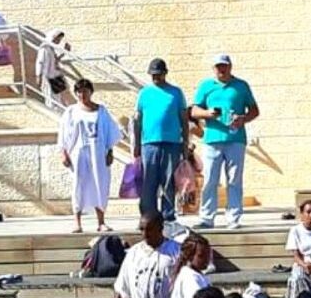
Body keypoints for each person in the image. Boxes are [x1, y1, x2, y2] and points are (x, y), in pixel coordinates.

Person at [191, 54, 259, 230]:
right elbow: (194, 110)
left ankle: (234, 218)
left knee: (234, 180)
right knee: (210, 179)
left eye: (225, 66)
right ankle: (207, 218)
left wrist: (242, 118)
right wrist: (208, 113)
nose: (222, 69)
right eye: (218, 66)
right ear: (213, 68)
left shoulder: (241, 86)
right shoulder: (206, 86)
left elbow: (254, 110)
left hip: (236, 139)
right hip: (212, 139)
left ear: (230, 67)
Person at [58, 78, 122, 233]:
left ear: (91, 92)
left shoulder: (101, 110)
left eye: (85, 91)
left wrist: (110, 151)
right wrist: (63, 153)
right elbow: (63, 133)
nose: (82, 94)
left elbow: (109, 132)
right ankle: (77, 222)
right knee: (78, 185)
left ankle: (101, 221)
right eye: (79, 92)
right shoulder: (71, 112)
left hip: (98, 153)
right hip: (78, 153)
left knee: (99, 184)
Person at [134, 58, 188, 223]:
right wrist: (136, 144)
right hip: (148, 144)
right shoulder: (144, 93)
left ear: (165, 73)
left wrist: (185, 143)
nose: (156, 77)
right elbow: (137, 120)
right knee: (149, 183)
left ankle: (168, 217)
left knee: (168, 182)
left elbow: (184, 120)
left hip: (172, 143)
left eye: (159, 74)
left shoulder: (176, 93)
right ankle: (148, 218)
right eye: (153, 75)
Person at [35, 28, 69, 108]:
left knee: (57, 98)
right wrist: (38, 76)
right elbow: (40, 62)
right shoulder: (44, 48)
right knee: (50, 99)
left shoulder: (51, 49)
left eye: (59, 40)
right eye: (57, 39)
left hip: (55, 76)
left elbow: (55, 61)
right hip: (47, 77)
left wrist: (64, 51)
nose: (58, 41)